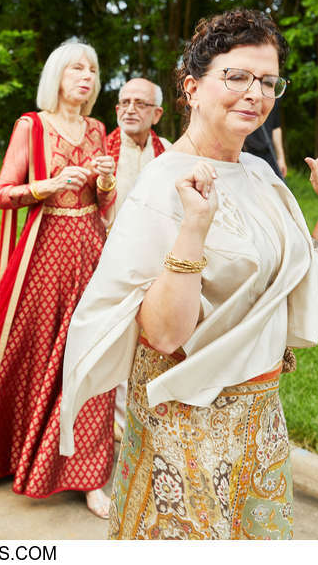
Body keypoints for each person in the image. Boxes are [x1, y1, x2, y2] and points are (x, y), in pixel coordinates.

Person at [60, 9, 318, 540]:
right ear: (192, 87)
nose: (254, 93)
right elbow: (165, 334)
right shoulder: (163, 183)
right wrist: (194, 227)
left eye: (267, 81)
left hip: (260, 421)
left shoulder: (261, 175)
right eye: (236, 76)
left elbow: (288, 294)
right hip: (187, 425)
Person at [0, 39, 117, 519]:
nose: (86, 76)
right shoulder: (31, 126)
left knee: (91, 355)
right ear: (56, 75)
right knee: (31, 353)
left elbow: (106, 207)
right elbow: (2, 193)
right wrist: (49, 185)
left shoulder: (100, 130)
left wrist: (107, 180)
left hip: (92, 254)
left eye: (92, 69)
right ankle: (11, 456)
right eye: (76, 67)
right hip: (42, 256)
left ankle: (90, 477)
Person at [103, 77, 171, 441]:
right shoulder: (101, 150)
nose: (130, 109)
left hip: (154, 268)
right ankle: (108, 424)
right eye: (124, 102)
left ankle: (133, 420)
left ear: (157, 113)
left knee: (146, 346)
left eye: (141, 103)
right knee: (111, 342)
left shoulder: (171, 153)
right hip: (104, 263)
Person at [242, 99, 285, 179]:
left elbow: (276, 127)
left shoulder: (273, 97)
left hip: (268, 153)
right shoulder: (246, 95)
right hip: (246, 152)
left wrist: (281, 158)